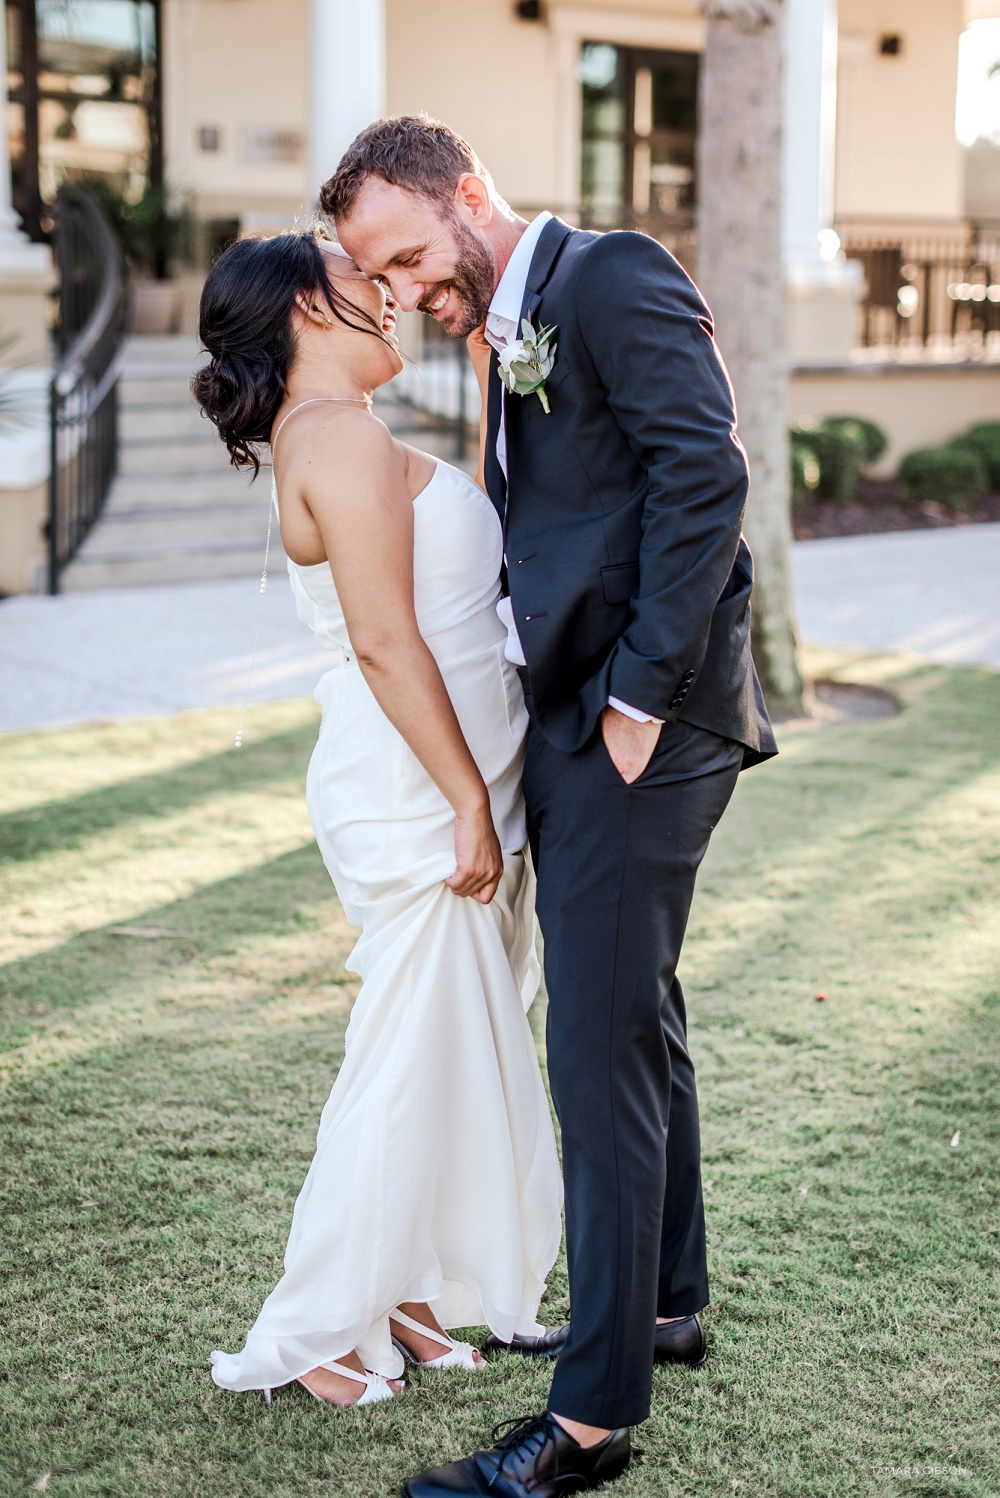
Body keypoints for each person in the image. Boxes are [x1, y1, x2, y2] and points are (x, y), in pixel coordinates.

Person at [326, 115, 777, 1495]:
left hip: (644, 719)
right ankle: (663, 1301)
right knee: (637, 1015)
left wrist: (637, 696)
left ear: (469, 193)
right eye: (381, 278)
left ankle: (591, 1422)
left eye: (408, 253)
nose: (404, 289)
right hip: (581, 714)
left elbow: (709, 473)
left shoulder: (612, 276)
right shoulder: (513, 318)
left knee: (593, 1047)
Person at [192, 230, 562, 1411]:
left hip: (458, 773)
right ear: (309, 306)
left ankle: (407, 1289)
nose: (395, 300)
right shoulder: (337, 438)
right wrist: (465, 802)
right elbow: (384, 640)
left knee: (459, 1038)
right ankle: (314, 1330)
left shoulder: (349, 434)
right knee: (407, 1056)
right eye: (368, 286)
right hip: (414, 790)